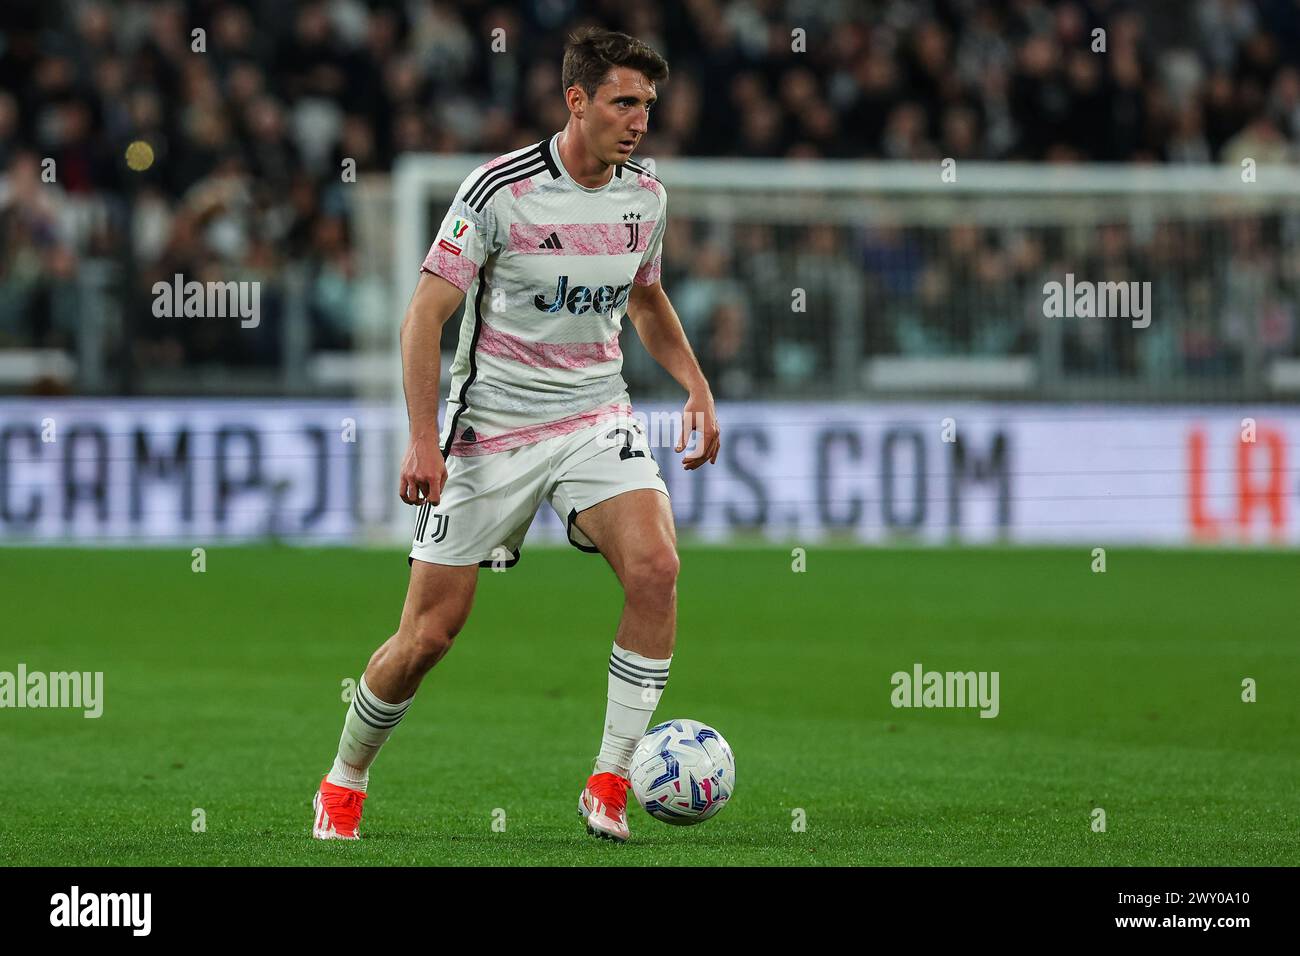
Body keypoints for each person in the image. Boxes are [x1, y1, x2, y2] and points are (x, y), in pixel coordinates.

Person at [312, 27, 721, 844]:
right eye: (623, 102)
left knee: (657, 568)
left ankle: (608, 781)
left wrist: (696, 382)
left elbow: (645, 299)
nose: (640, 120)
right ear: (577, 101)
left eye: (648, 104)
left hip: (595, 416)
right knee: (429, 635)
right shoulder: (497, 191)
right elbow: (424, 315)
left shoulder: (646, 196)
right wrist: (423, 439)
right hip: (489, 431)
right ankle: (344, 780)